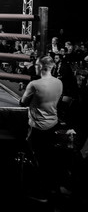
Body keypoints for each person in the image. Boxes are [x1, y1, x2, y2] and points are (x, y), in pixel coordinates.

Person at [19, 55, 63, 200]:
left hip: (38, 127)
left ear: (41, 67)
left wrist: (27, 95)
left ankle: (40, 193)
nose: (34, 67)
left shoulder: (34, 84)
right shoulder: (59, 83)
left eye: (36, 65)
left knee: (36, 159)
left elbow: (23, 102)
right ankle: (53, 188)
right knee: (49, 158)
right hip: (53, 124)